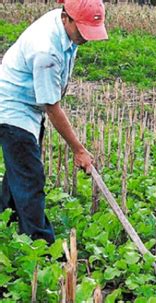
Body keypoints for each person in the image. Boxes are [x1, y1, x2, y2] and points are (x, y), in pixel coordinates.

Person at [0, 0, 108, 245]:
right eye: (82, 30)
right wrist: (79, 150)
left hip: (29, 103)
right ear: (66, 18)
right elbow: (51, 106)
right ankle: (40, 245)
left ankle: (4, 219)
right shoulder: (45, 50)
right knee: (30, 177)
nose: (86, 38)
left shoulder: (65, 27)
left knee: (20, 169)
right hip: (13, 107)